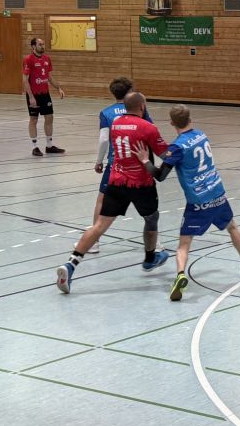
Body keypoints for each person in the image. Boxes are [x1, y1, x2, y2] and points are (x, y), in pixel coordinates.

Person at [131, 105, 240, 301]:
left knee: (184, 243)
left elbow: (160, 175)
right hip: (217, 192)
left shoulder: (177, 147)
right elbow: (180, 154)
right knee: (232, 227)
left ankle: (180, 275)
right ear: (190, 119)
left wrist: (145, 161)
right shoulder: (202, 135)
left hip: (198, 201)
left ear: (171, 123)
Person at [56, 92, 170, 294]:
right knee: (151, 218)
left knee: (99, 225)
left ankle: (71, 264)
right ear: (142, 106)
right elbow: (165, 153)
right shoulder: (148, 127)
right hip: (141, 184)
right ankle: (150, 258)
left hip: (117, 181)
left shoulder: (116, 123)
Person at [84, 77, 153, 254]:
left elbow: (104, 140)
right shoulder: (139, 109)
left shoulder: (106, 113)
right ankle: (155, 244)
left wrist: (99, 161)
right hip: (139, 163)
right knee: (146, 203)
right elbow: (151, 131)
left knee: (102, 200)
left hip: (116, 163)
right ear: (130, 92)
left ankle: (94, 243)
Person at [22, 37, 66, 156]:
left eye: (43, 44)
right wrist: (31, 97)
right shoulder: (28, 60)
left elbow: (49, 77)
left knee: (49, 117)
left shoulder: (47, 59)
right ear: (33, 46)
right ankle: (35, 147)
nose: (42, 46)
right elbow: (25, 80)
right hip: (34, 94)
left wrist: (58, 88)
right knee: (33, 119)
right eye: (40, 44)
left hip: (45, 94)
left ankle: (49, 146)